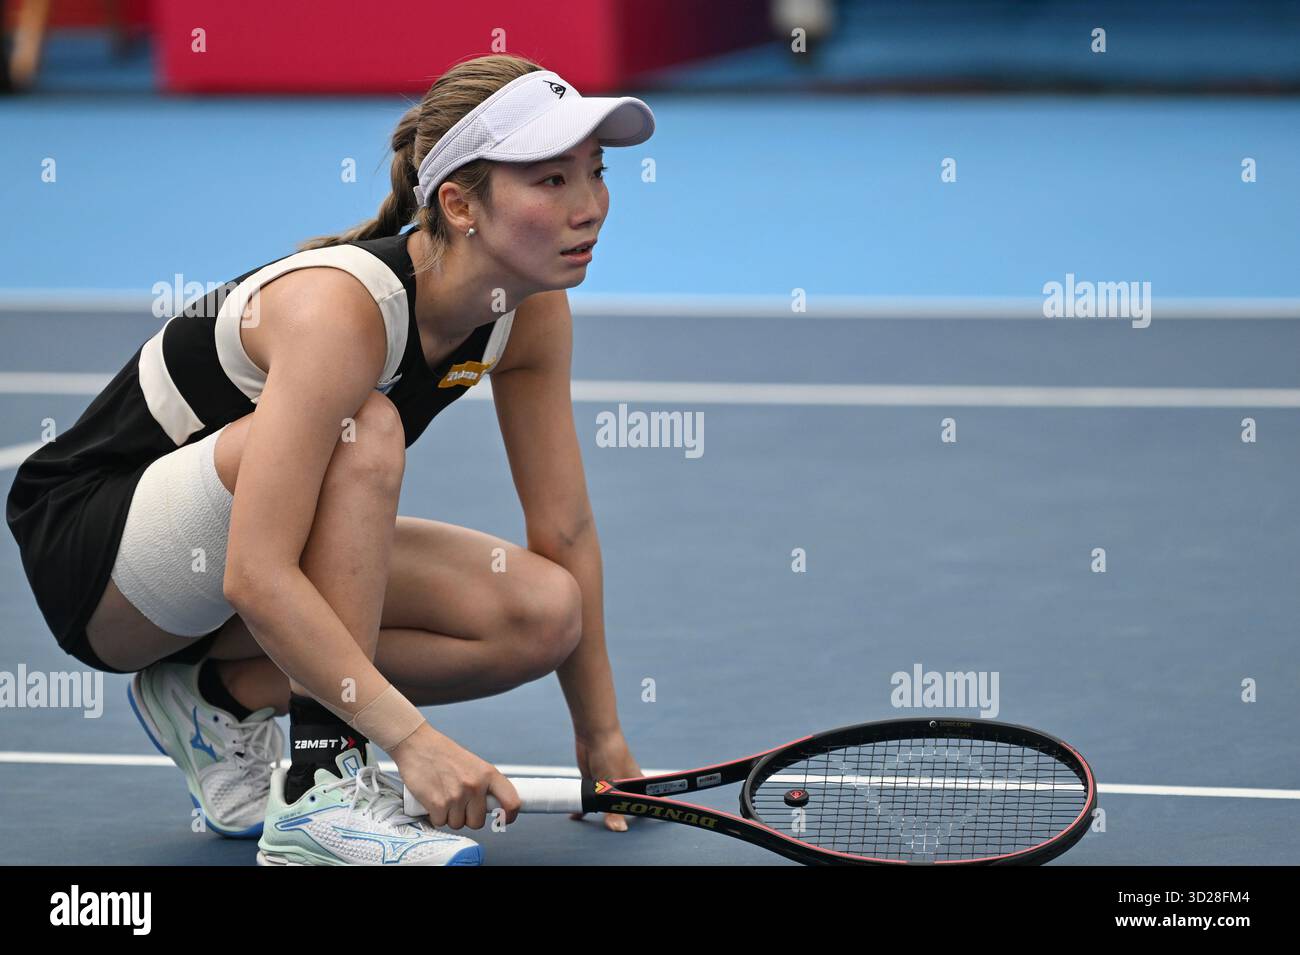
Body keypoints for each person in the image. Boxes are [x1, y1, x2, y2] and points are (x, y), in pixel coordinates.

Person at [5, 53, 655, 866]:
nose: (590, 206)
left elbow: (563, 528)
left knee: (542, 613)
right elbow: (255, 571)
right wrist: (412, 740)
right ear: (459, 204)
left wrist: (601, 738)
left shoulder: (529, 312)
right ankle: (322, 793)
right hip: (100, 563)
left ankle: (215, 698)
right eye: (551, 182)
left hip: (220, 574)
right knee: (368, 428)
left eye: (594, 173)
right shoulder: (341, 311)